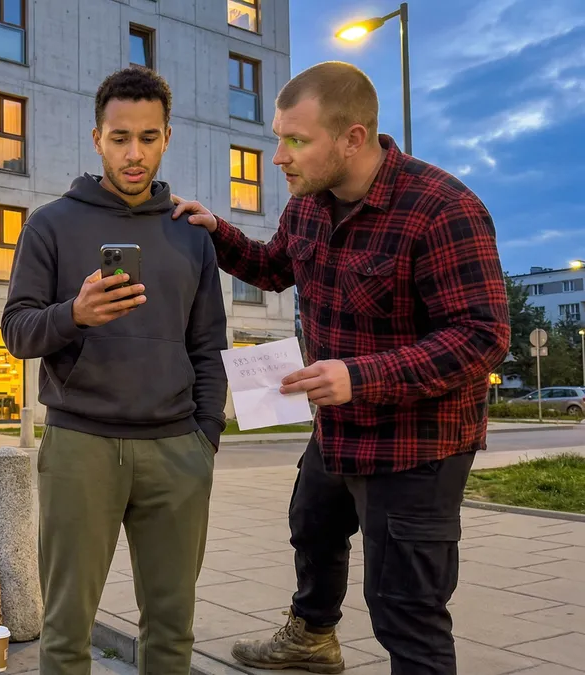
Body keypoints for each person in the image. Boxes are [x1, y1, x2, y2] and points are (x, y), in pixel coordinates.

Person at [170, 61, 510, 674]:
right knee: (312, 525)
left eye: (296, 139)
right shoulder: (307, 206)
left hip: (418, 447)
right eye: (278, 135)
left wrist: (360, 377)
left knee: (404, 607)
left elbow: (482, 338)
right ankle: (311, 641)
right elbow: (275, 267)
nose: (278, 155)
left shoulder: (443, 209)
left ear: (354, 138)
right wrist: (216, 230)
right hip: (338, 432)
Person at [2, 66, 227, 675]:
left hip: (177, 449)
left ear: (167, 138)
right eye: (120, 137)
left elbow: (209, 344)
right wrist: (73, 314)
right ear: (97, 138)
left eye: (148, 137)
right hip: (81, 446)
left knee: (172, 630)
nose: (134, 153)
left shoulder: (190, 235)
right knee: (67, 629)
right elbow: (17, 331)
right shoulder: (50, 224)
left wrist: (205, 436)